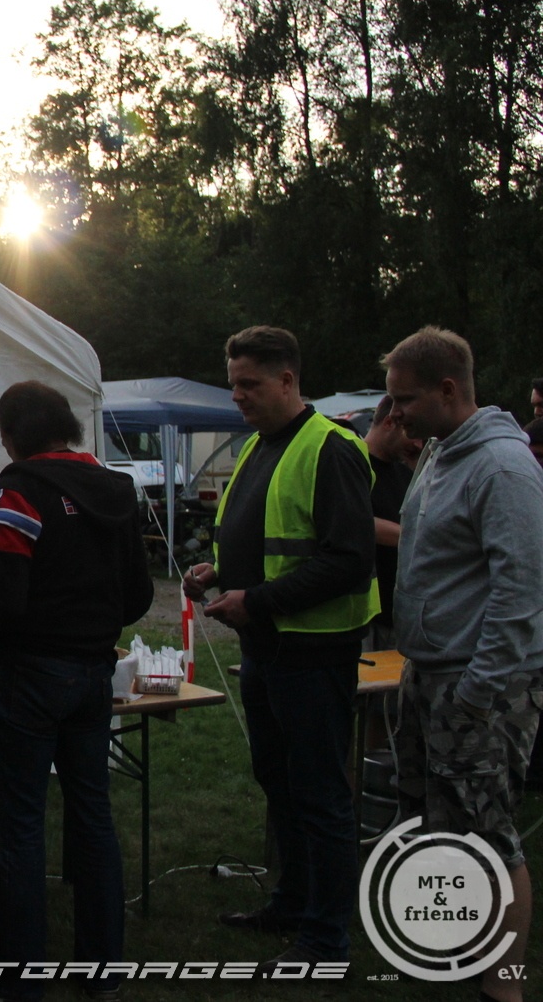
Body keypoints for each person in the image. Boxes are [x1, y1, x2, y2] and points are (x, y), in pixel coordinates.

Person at [0, 381, 153, 1002]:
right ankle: (102, 972)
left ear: (11, 435)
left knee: (23, 826)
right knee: (93, 818)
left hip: (29, 677)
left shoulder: (17, 489)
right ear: (69, 427)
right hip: (93, 675)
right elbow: (138, 595)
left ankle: (13, 979)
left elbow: (2, 598)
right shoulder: (117, 489)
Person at [182, 325, 377, 973]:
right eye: (233, 383)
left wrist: (258, 600)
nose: (237, 395)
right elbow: (267, 539)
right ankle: (292, 904)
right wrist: (216, 570)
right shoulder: (259, 446)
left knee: (320, 794)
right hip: (267, 648)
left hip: (313, 651)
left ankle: (325, 939)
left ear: (288, 379)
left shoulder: (331, 448)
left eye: (250, 384)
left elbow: (348, 559)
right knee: (281, 784)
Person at [383, 328, 543, 1002]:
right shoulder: (440, 451)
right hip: (430, 673)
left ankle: (502, 988)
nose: (395, 415)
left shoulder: (502, 468)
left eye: (404, 400)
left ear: (448, 390)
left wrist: (479, 690)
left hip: (480, 685)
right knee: (438, 825)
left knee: (490, 834)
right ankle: (456, 956)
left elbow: (521, 589)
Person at [364, 395, 416, 651]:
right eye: (408, 431)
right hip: (368, 615)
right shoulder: (353, 464)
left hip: (401, 614)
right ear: (388, 423)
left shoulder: (405, 472)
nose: (416, 441)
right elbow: (355, 522)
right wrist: (413, 537)